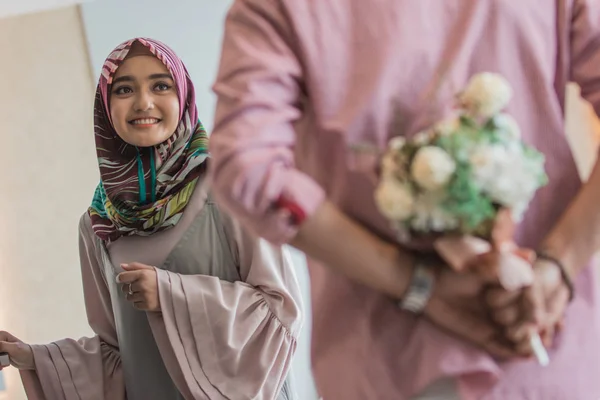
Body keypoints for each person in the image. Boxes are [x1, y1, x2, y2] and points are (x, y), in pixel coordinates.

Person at [207, 1, 600, 399]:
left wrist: (421, 287)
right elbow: (247, 169)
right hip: (544, 340)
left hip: (386, 360)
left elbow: (247, 170)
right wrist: (557, 264)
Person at [0, 37, 302, 400]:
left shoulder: (231, 186)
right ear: (105, 106)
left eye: (161, 85)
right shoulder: (98, 224)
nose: (143, 103)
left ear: (184, 96)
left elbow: (278, 314)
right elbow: (117, 354)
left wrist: (169, 294)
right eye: (124, 89)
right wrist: (35, 358)